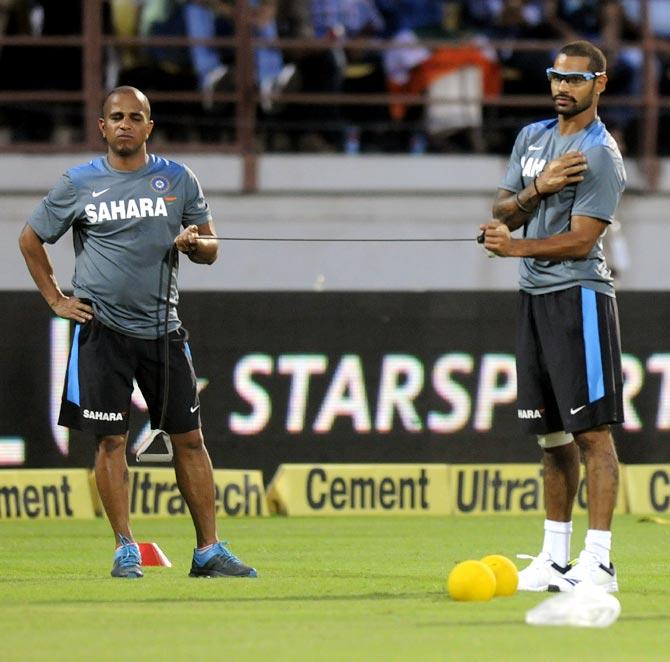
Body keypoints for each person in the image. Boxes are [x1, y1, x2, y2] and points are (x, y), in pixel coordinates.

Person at [18, 86, 257, 580]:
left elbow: (211, 246)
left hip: (163, 329)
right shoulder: (79, 182)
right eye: (116, 116)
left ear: (150, 126)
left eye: (136, 116)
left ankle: (208, 550)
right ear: (102, 127)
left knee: (189, 439)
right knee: (110, 441)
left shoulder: (177, 178)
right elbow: (30, 237)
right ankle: (125, 546)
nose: (125, 124)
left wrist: (195, 245)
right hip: (101, 329)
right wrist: (56, 298)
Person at [480, 40, 625, 593]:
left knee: (593, 434)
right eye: (556, 78)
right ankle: (554, 558)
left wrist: (511, 246)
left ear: (599, 83)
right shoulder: (531, 138)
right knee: (550, 437)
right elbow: (503, 209)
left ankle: (601, 560)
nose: (563, 88)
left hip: (579, 298)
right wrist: (537, 188)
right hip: (534, 297)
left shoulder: (600, 154)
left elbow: (582, 241)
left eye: (575, 79)